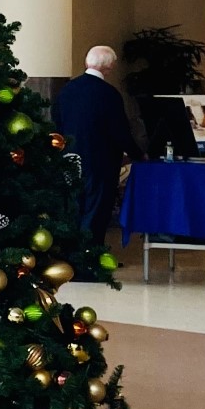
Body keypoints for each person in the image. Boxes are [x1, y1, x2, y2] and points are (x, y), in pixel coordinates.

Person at [52, 45, 137, 256]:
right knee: (95, 210)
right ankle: (89, 259)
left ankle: (69, 258)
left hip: (69, 158)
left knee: (72, 208)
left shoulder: (66, 90)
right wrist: (137, 154)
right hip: (101, 162)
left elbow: (57, 123)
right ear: (108, 67)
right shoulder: (108, 94)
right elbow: (120, 131)